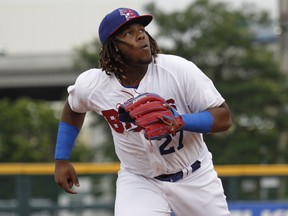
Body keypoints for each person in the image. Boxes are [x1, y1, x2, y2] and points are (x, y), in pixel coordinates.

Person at [54, 7, 232, 216]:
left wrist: (181, 121)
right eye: (128, 33)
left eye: (141, 29)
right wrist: (61, 159)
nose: (140, 36)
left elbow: (224, 118)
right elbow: (73, 108)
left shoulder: (178, 70)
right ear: (113, 47)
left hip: (194, 177)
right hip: (140, 180)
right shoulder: (94, 85)